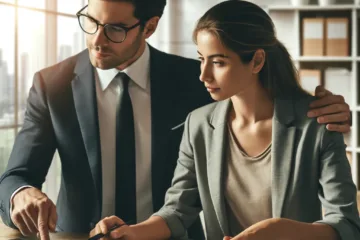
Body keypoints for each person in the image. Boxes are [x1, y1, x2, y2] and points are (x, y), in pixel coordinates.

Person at [0, 0, 351, 239]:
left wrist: (335, 112)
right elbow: (16, 175)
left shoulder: (192, 85)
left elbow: (344, 220)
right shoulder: (52, 84)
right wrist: (22, 194)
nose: (97, 40)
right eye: (91, 22)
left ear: (149, 27)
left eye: (116, 29)